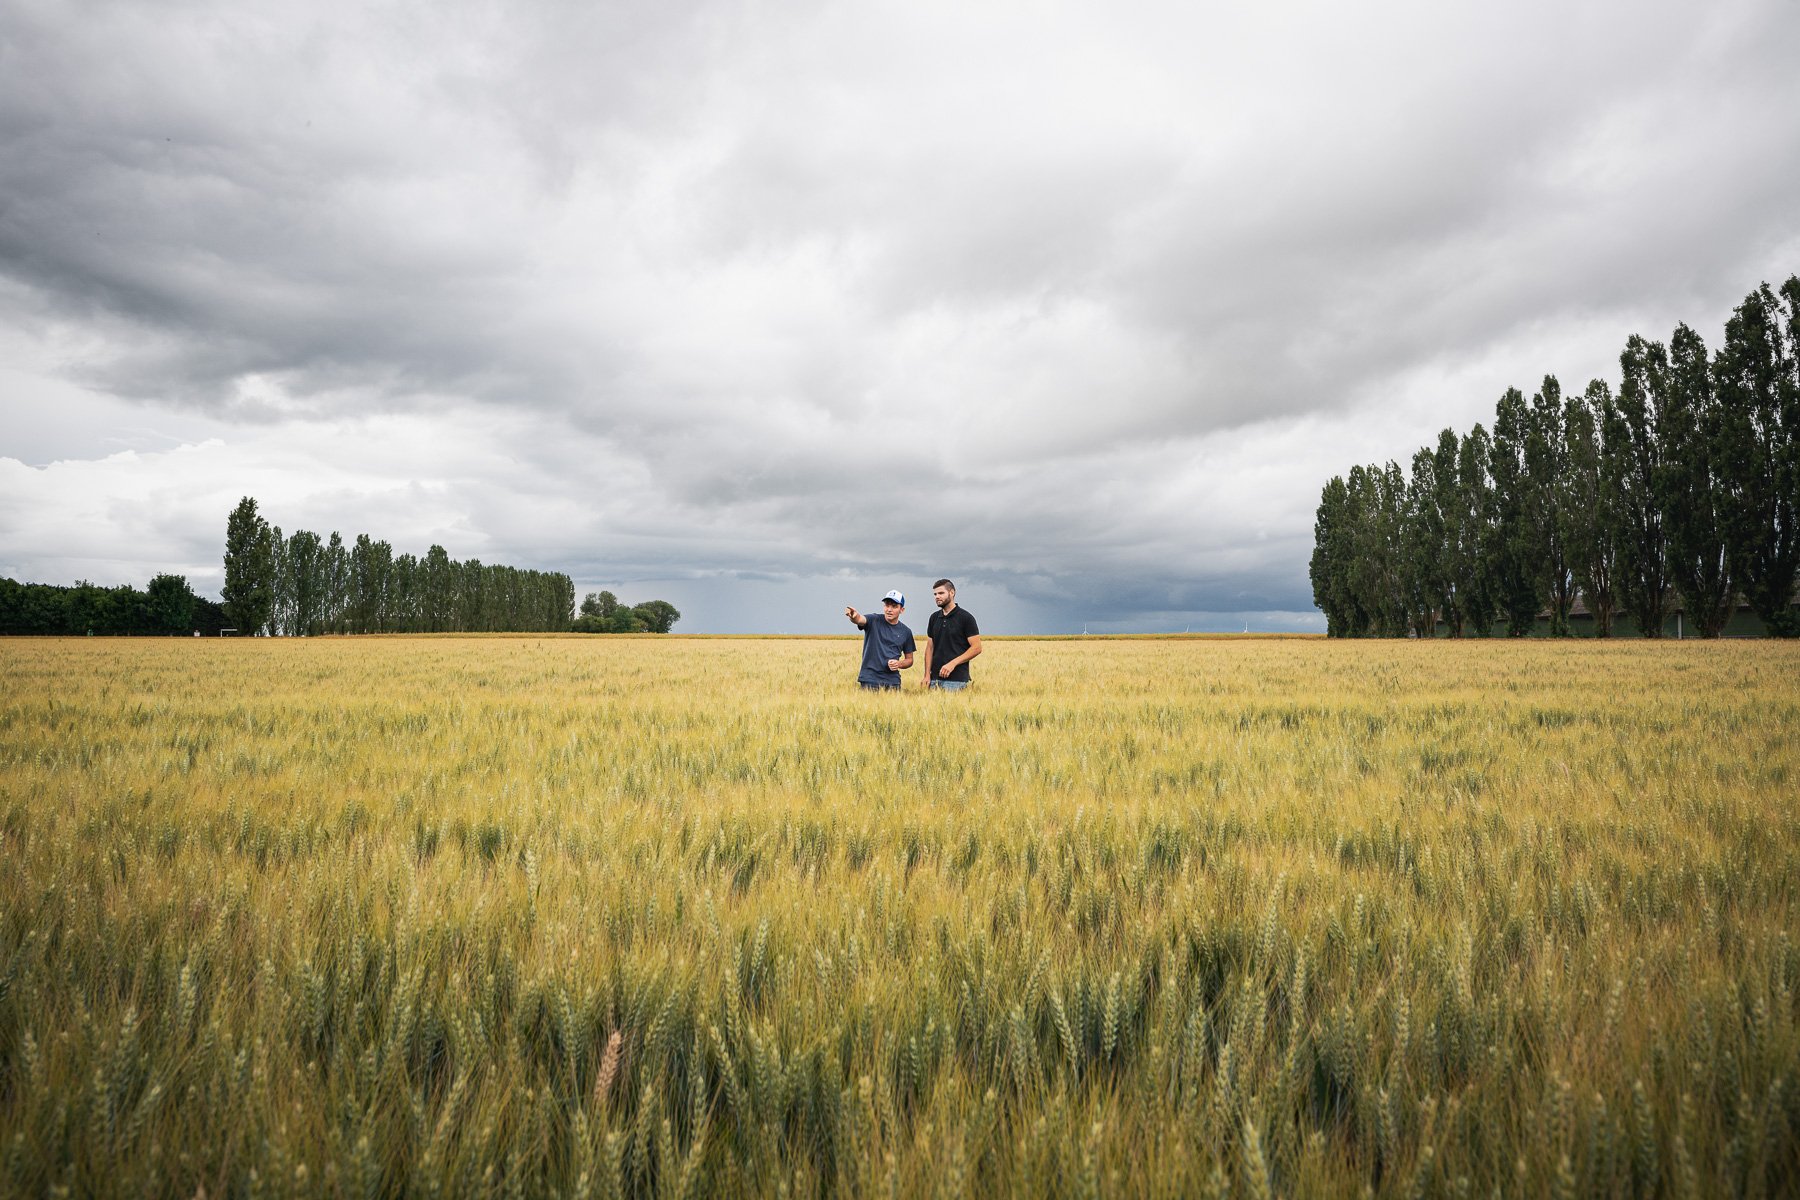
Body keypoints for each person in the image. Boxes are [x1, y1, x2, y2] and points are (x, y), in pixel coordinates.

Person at [845, 590, 915, 690]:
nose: (889, 610)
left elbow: (910, 660)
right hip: (869, 680)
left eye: (894, 606)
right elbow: (860, 620)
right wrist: (854, 617)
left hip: (893, 682)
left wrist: (898, 664)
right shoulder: (874, 620)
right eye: (887, 605)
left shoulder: (906, 632)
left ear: (902, 610)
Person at [921, 578, 981, 691]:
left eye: (941, 593)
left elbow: (977, 648)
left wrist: (952, 663)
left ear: (952, 593)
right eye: (935, 594)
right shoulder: (934, 618)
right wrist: (927, 675)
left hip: (956, 681)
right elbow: (930, 647)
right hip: (934, 680)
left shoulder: (966, 618)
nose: (937, 596)